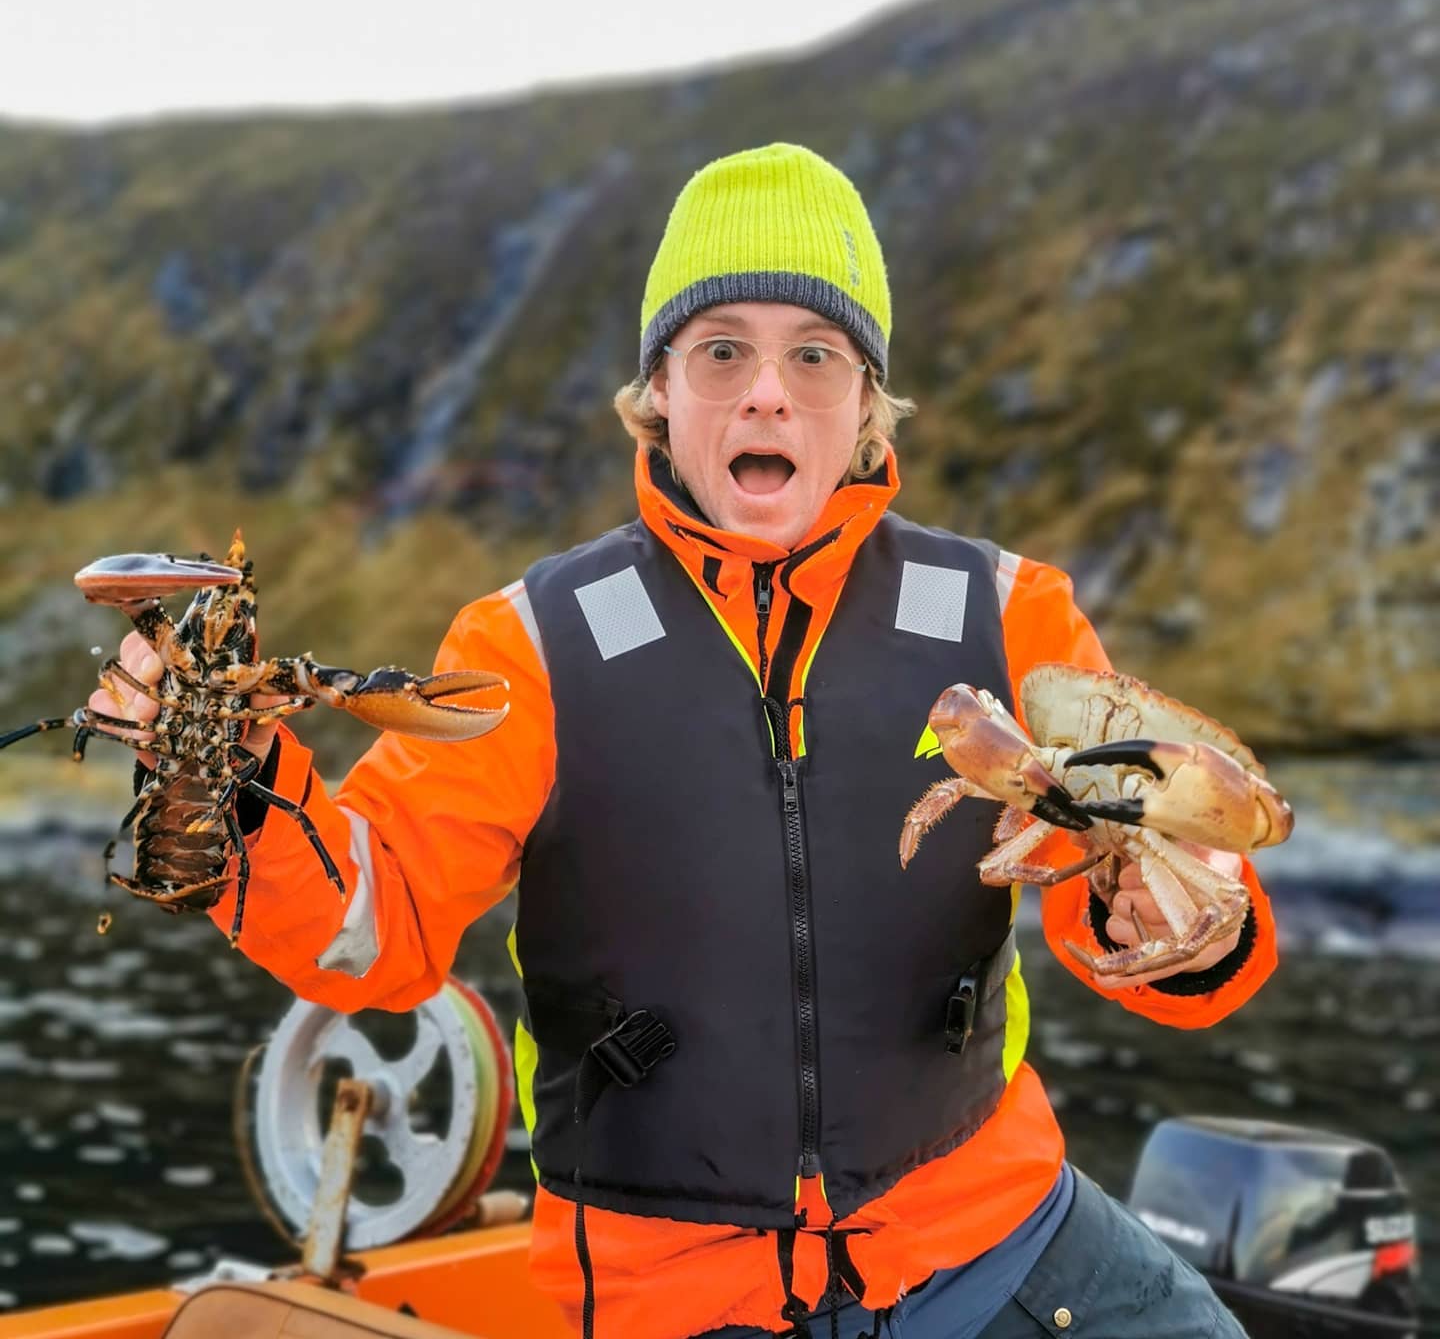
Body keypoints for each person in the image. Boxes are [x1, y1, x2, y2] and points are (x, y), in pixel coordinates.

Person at [95, 143, 1275, 1339]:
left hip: (994, 1236)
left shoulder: (1011, 613)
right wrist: (232, 787)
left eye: (814, 355)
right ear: (659, 389)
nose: (767, 392)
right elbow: (374, 928)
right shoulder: (529, 645)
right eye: (722, 352)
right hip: (674, 1299)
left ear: (868, 402)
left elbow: (1158, 863)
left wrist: (1182, 922)